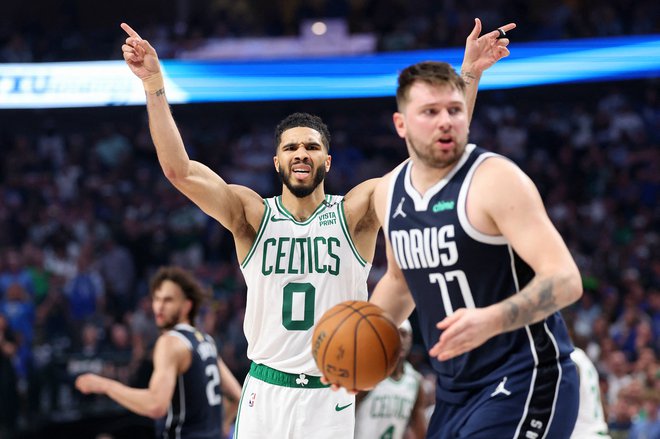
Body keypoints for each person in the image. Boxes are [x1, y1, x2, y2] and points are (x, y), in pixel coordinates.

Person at [119, 18, 514, 438]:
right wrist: (153, 83)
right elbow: (179, 172)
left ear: (328, 161)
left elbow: (427, 166)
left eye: (311, 147)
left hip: (330, 396)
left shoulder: (354, 214)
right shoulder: (251, 215)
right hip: (264, 393)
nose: (301, 154)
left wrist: (468, 75)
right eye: (290, 147)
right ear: (276, 162)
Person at [369, 60, 583, 438]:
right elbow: (400, 282)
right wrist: (359, 336)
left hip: (525, 376)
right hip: (455, 390)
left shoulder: (496, 179)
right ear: (401, 124)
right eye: (430, 112)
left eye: (454, 110)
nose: (445, 121)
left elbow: (565, 279)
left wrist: (493, 319)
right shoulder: (388, 192)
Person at [75, 266, 242, 439]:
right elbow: (238, 396)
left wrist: (105, 386)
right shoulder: (206, 341)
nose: (159, 307)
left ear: (186, 306)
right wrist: (222, 425)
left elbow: (156, 405)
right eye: (156, 299)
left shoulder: (170, 342)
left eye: (168, 300)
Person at [354, 320, 427, 439]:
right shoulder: (370, 376)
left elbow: (420, 429)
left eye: (403, 334)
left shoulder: (415, 381)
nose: (399, 340)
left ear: (411, 339)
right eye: (393, 334)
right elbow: (346, 415)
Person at [570, 347, 611, 438]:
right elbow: (602, 403)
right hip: (598, 432)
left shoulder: (566, 358)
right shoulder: (581, 355)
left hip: (580, 434)